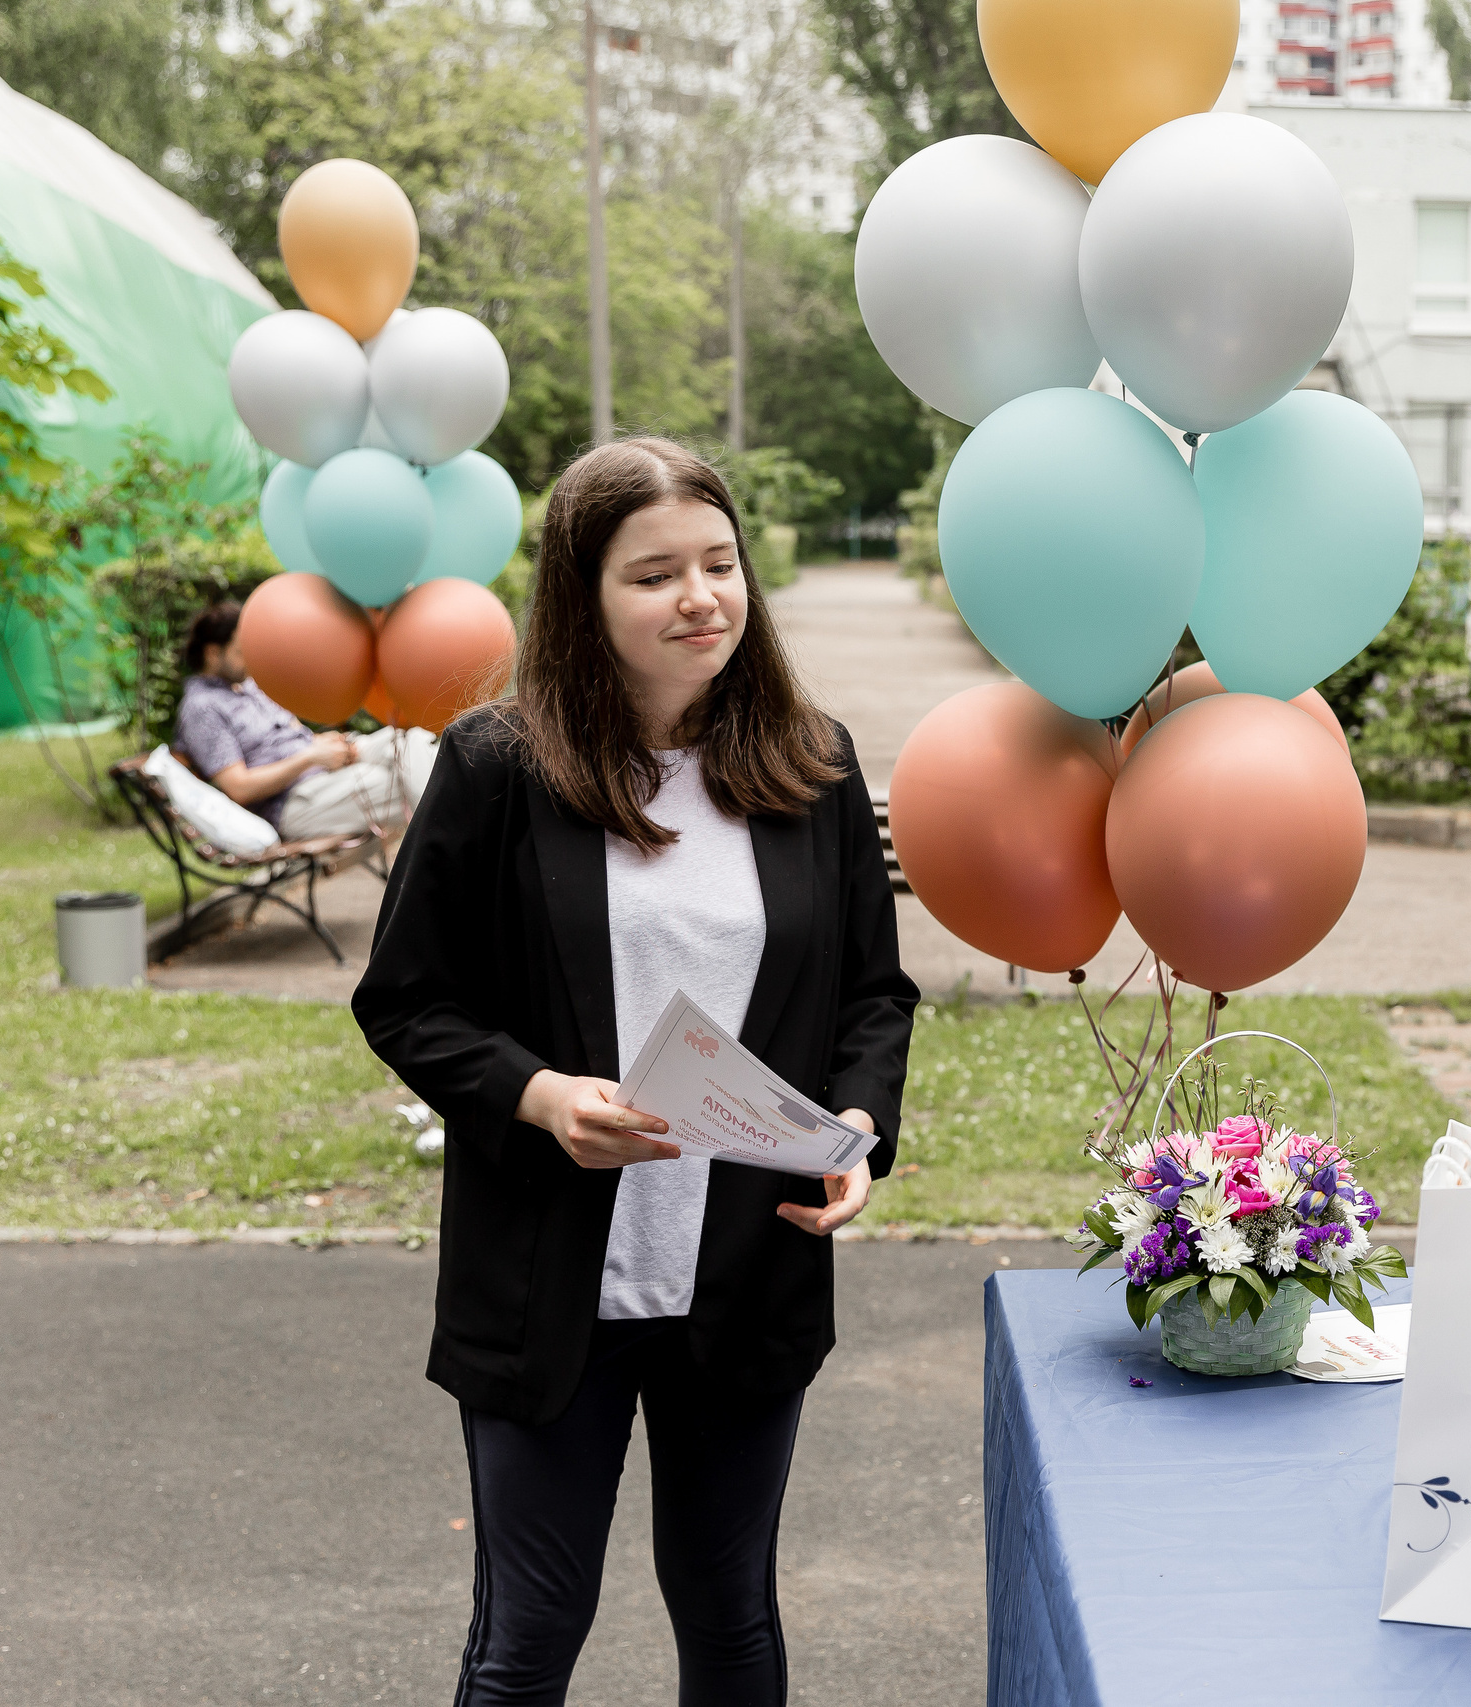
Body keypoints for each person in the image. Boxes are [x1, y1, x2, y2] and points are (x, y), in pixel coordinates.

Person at [350, 436, 917, 1703]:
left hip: (749, 1263)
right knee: (528, 1638)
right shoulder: (499, 765)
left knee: (730, 1620)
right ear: (583, 595)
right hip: (551, 1276)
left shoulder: (809, 761)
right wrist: (539, 1096)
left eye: (719, 564)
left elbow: (874, 994)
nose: (701, 597)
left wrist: (857, 1128)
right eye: (654, 574)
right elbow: (405, 999)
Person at [172, 600, 437, 839]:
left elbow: (289, 737)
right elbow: (239, 787)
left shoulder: (247, 685)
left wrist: (324, 746)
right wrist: (310, 758)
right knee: (408, 779)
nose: (251, 661)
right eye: (242, 652)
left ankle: (455, 849)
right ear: (212, 654)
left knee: (411, 738)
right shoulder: (202, 709)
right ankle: (458, 853)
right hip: (296, 802)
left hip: (325, 772)